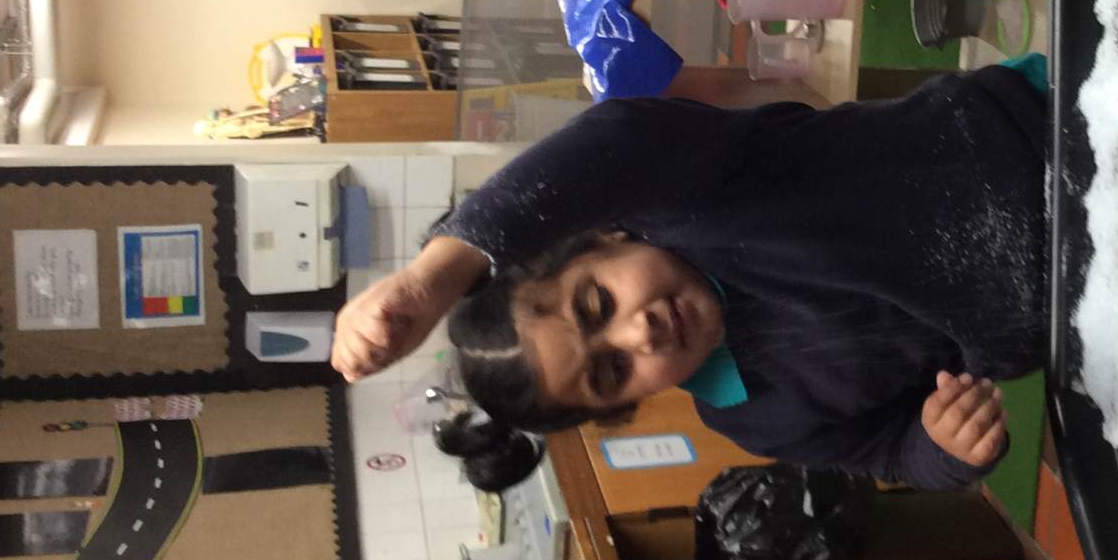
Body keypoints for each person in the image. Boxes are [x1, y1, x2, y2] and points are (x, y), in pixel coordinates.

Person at [332, 57, 1050, 492]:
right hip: (1071, 316)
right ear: (628, 403)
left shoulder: (702, 198)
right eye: (612, 370)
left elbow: (620, 140)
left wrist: (438, 274)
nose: (638, 333)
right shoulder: (753, 417)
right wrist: (943, 448)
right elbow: (891, 451)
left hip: (1044, 139)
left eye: (597, 303)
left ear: (602, 236)